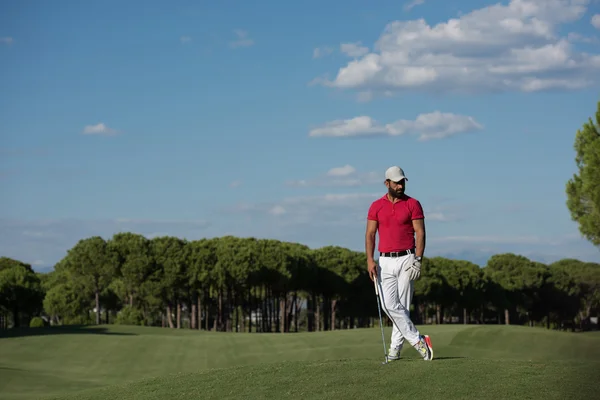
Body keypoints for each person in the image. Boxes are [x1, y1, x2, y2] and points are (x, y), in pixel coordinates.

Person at [365, 165, 433, 361]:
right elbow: (370, 234)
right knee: (389, 305)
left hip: (407, 258)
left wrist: (418, 260)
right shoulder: (376, 206)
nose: (400, 185)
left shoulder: (413, 204)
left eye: (402, 182)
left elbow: (420, 232)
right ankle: (418, 340)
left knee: (402, 305)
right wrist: (370, 260)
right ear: (387, 183)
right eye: (396, 182)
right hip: (384, 260)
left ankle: (395, 350)